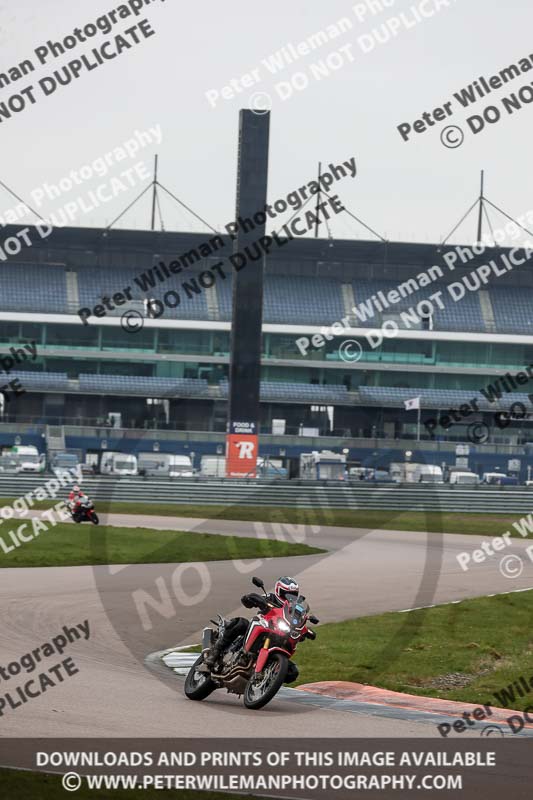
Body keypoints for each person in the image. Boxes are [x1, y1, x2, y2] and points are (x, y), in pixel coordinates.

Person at [205, 577, 300, 668]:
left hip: (279, 634)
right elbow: (247, 601)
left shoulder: (294, 610)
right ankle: (215, 652)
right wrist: (250, 598)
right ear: (278, 590)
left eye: (293, 595)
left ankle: (268, 677)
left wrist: (304, 631)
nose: (289, 597)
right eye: (286, 594)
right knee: (240, 623)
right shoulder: (269, 597)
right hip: (262, 626)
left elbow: (299, 622)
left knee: (292, 670)